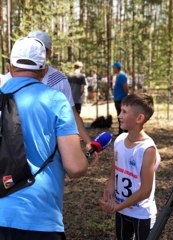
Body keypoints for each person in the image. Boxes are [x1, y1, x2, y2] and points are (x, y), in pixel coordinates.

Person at [0, 37, 88, 240]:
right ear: (43, 70)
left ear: (10, 67)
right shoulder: (56, 100)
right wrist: (86, 158)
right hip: (40, 217)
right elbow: (75, 167)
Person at [3, 30, 97, 161]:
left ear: (49, 53)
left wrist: (87, 141)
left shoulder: (59, 80)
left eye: (41, 48)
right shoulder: (6, 80)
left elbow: (72, 113)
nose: (34, 51)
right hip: (11, 154)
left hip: (47, 153)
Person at [99, 94, 161, 240]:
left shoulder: (147, 149)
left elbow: (145, 191)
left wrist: (117, 207)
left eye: (124, 112)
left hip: (141, 215)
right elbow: (115, 172)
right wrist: (108, 195)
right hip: (122, 212)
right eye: (120, 110)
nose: (119, 116)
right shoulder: (119, 140)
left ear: (139, 118)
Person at [112, 61, 128, 135]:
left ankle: (124, 131)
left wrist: (125, 98)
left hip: (121, 99)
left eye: (113, 67)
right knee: (119, 115)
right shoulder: (118, 75)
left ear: (117, 68)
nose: (113, 69)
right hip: (117, 98)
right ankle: (121, 131)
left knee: (122, 115)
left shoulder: (122, 76)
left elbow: (125, 87)